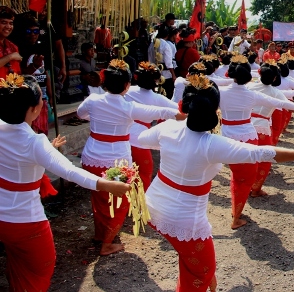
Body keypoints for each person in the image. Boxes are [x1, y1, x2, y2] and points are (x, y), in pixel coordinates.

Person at [137, 75, 294, 292]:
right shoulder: (211, 144)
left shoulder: (168, 129)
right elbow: (259, 153)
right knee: (201, 273)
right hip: (185, 219)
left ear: (184, 105)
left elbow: (143, 139)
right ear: (215, 110)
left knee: (195, 265)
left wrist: (172, 143)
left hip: (153, 204)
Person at [0, 73, 130, 292]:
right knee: (39, 270)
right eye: (42, 99)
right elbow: (70, 171)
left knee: (18, 263)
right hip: (25, 221)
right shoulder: (34, 142)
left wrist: (47, 150)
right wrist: (106, 184)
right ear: (33, 109)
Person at [77, 59, 185, 255]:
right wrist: (188, 114)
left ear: (104, 82)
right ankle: (106, 243)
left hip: (91, 157)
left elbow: (80, 113)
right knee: (121, 202)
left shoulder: (93, 100)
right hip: (116, 162)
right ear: (127, 86)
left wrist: (97, 118)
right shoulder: (129, 107)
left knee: (99, 198)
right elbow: (163, 111)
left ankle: (101, 234)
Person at [218, 54, 294, 229]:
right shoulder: (252, 94)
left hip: (226, 136)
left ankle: (237, 208)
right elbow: (280, 102)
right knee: (255, 168)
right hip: (250, 135)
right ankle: (242, 206)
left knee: (236, 173)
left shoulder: (221, 92)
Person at [248, 61, 294, 197]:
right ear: (275, 78)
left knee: (246, 157)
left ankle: (246, 185)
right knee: (265, 158)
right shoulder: (275, 92)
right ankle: (255, 189)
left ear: (259, 73)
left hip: (246, 125)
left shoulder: (249, 87)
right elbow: (288, 105)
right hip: (262, 127)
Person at [124, 62, 178, 190]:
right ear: (155, 81)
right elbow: (179, 110)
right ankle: (140, 205)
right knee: (144, 173)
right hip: (139, 139)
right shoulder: (157, 98)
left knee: (124, 172)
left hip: (122, 135)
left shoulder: (127, 91)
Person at [0, 6, 21, 79]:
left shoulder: (13, 47)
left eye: (11, 23)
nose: (8, 26)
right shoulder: (13, 53)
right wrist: (10, 57)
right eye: (4, 22)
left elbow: (17, 74)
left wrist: (34, 66)